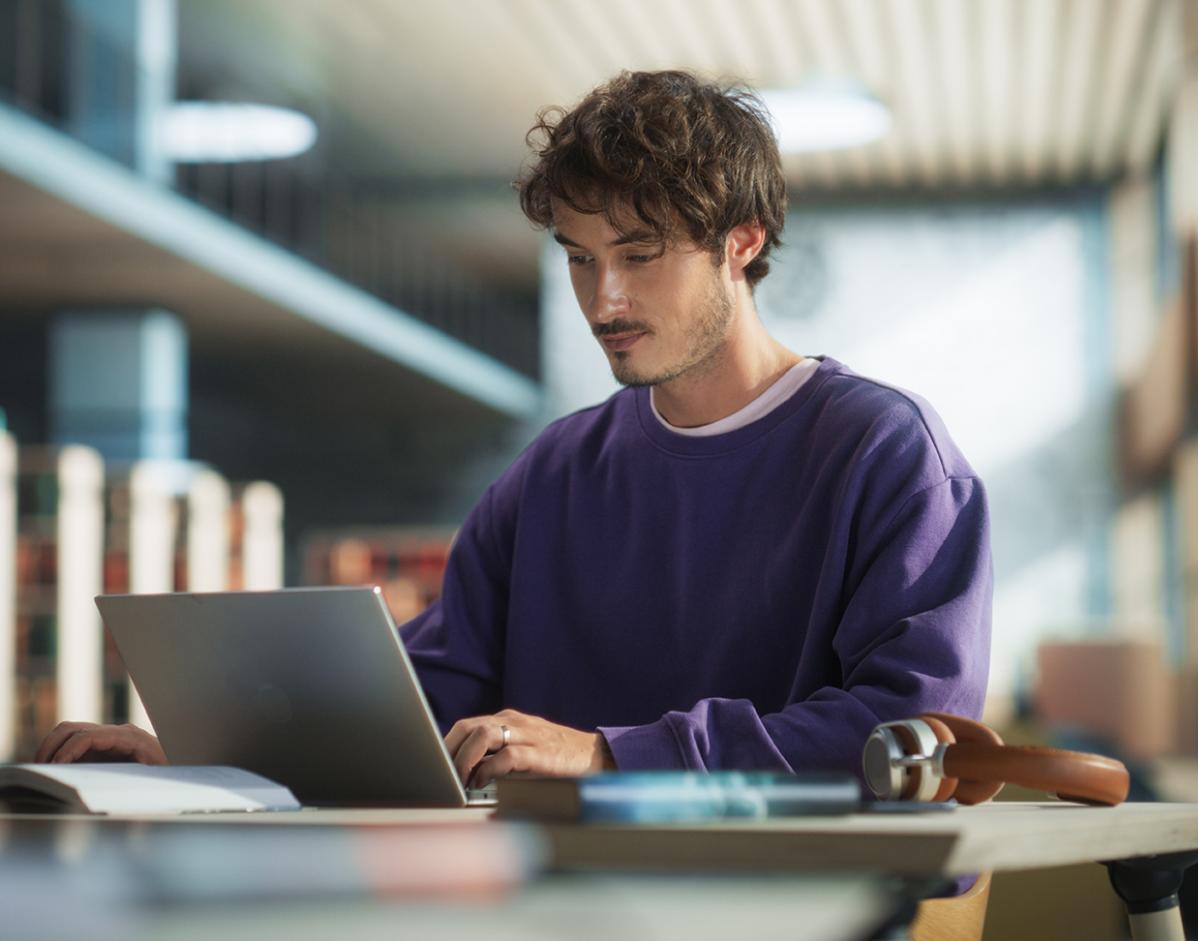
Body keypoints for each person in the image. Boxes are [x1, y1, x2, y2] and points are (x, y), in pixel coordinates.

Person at [36, 71, 993, 792]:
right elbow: (421, 703)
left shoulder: (886, 453)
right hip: (564, 904)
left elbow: (917, 730)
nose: (603, 298)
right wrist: (203, 761)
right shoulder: (555, 473)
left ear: (741, 243)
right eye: (579, 258)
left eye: (639, 254)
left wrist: (610, 753)